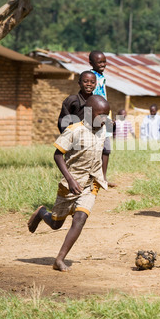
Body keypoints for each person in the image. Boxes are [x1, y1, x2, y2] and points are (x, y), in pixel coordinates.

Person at [28, 95, 110, 272]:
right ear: (88, 113)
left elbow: (104, 152)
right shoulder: (74, 130)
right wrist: (70, 179)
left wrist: (102, 176)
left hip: (90, 184)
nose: (104, 120)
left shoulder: (103, 130)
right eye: (101, 115)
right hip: (71, 184)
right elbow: (58, 155)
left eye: (107, 116)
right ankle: (42, 213)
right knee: (56, 224)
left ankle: (59, 259)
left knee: (80, 219)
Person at [89, 50, 116, 187]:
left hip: (105, 114)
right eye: (99, 62)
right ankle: (93, 177)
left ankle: (103, 178)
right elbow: (92, 98)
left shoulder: (101, 76)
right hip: (96, 115)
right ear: (91, 63)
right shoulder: (91, 77)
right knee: (95, 147)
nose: (103, 64)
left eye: (104, 61)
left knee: (106, 148)